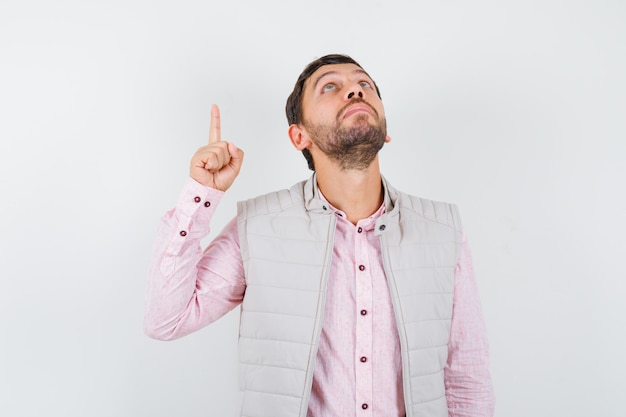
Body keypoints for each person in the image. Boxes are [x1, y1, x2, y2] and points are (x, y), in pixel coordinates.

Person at [144, 54, 495, 417]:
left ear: (385, 129)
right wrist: (202, 193)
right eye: (331, 86)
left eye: (365, 85)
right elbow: (166, 319)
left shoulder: (442, 230)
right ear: (300, 136)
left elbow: (466, 376)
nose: (355, 91)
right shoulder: (258, 227)